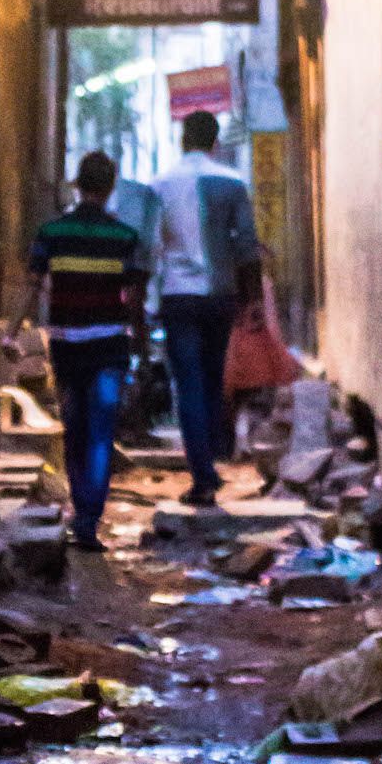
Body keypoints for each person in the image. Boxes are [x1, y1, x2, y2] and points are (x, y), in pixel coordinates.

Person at [21, 150, 150, 553]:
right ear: (110, 188)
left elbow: (32, 286)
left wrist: (12, 333)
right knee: (100, 432)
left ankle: (83, 513)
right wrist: (141, 343)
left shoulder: (51, 233)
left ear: (78, 185)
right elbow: (134, 300)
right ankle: (89, 519)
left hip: (66, 347)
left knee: (75, 431)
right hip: (110, 348)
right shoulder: (125, 238)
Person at [153, 110, 261, 507]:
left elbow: (150, 246)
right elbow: (247, 245)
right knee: (213, 379)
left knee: (188, 384)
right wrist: (254, 299)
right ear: (215, 142)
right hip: (220, 295)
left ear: (183, 140)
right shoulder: (232, 183)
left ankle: (202, 473)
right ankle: (211, 457)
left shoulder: (160, 185)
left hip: (178, 295)